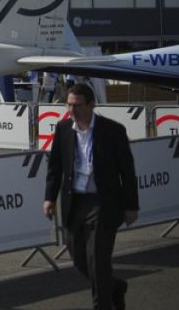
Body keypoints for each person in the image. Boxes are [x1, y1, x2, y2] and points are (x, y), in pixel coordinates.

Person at [43, 82, 138, 310]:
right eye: (69, 105)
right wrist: (49, 198)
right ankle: (115, 287)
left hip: (103, 203)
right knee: (80, 259)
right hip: (75, 202)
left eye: (77, 105)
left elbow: (127, 170)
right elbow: (55, 167)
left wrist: (131, 205)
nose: (72, 111)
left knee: (98, 260)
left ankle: (101, 305)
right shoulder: (63, 129)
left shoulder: (112, 130)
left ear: (91, 105)